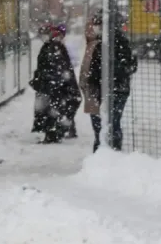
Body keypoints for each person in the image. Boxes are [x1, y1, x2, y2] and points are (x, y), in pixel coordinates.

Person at [79, 9, 137, 152]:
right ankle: (110, 151)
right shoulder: (111, 41)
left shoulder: (105, 43)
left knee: (104, 124)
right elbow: (130, 66)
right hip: (113, 89)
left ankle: (104, 152)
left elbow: (98, 69)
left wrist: (91, 83)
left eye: (97, 24)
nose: (94, 27)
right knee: (112, 123)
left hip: (104, 90)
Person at [30, 23, 81, 143]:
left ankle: (53, 134)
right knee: (58, 107)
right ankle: (63, 130)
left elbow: (53, 68)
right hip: (58, 85)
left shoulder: (52, 47)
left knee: (52, 109)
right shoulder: (55, 46)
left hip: (53, 86)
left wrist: (48, 82)